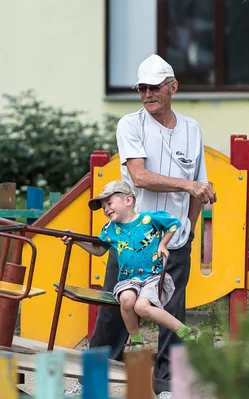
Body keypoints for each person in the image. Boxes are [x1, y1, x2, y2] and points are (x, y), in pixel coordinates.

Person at [65, 54, 217, 398]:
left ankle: (168, 387)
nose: (147, 94)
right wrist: (188, 186)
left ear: (173, 87)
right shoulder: (130, 124)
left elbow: (200, 185)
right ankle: (91, 382)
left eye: (154, 87)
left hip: (173, 242)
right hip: (131, 239)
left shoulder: (192, 129)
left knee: (173, 315)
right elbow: (139, 176)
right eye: (142, 88)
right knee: (113, 313)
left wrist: (189, 230)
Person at [61, 180, 200, 350]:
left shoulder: (148, 219)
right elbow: (98, 250)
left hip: (152, 278)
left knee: (141, 307)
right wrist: (75, 240)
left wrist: (163, 244)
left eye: (109, 203)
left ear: (128, 200)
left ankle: (184, 331)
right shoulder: (110, 229)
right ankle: (136, 340)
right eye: (104, 207)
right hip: (128, 279)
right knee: (126, 300)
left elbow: (173, 224)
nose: (106, 209)